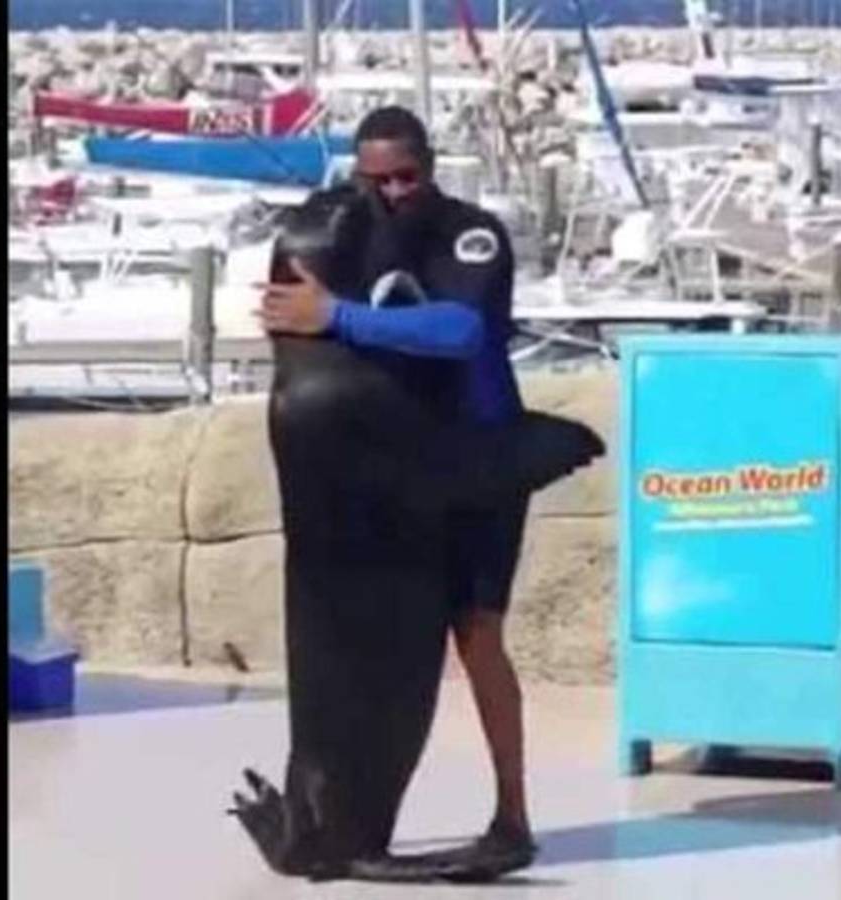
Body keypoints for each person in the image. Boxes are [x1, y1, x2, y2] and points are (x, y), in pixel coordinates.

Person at [229, 106, 600, 881]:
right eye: (375, 180)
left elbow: (461, 332)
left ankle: (511, 815)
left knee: (476, 635)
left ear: (428, 166)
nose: (394, 192)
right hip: (395, 471)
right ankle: (326, 816)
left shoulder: (471, 232)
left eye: (405, 176)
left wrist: (333, 315)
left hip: (474, 456)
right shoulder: (359, 234)